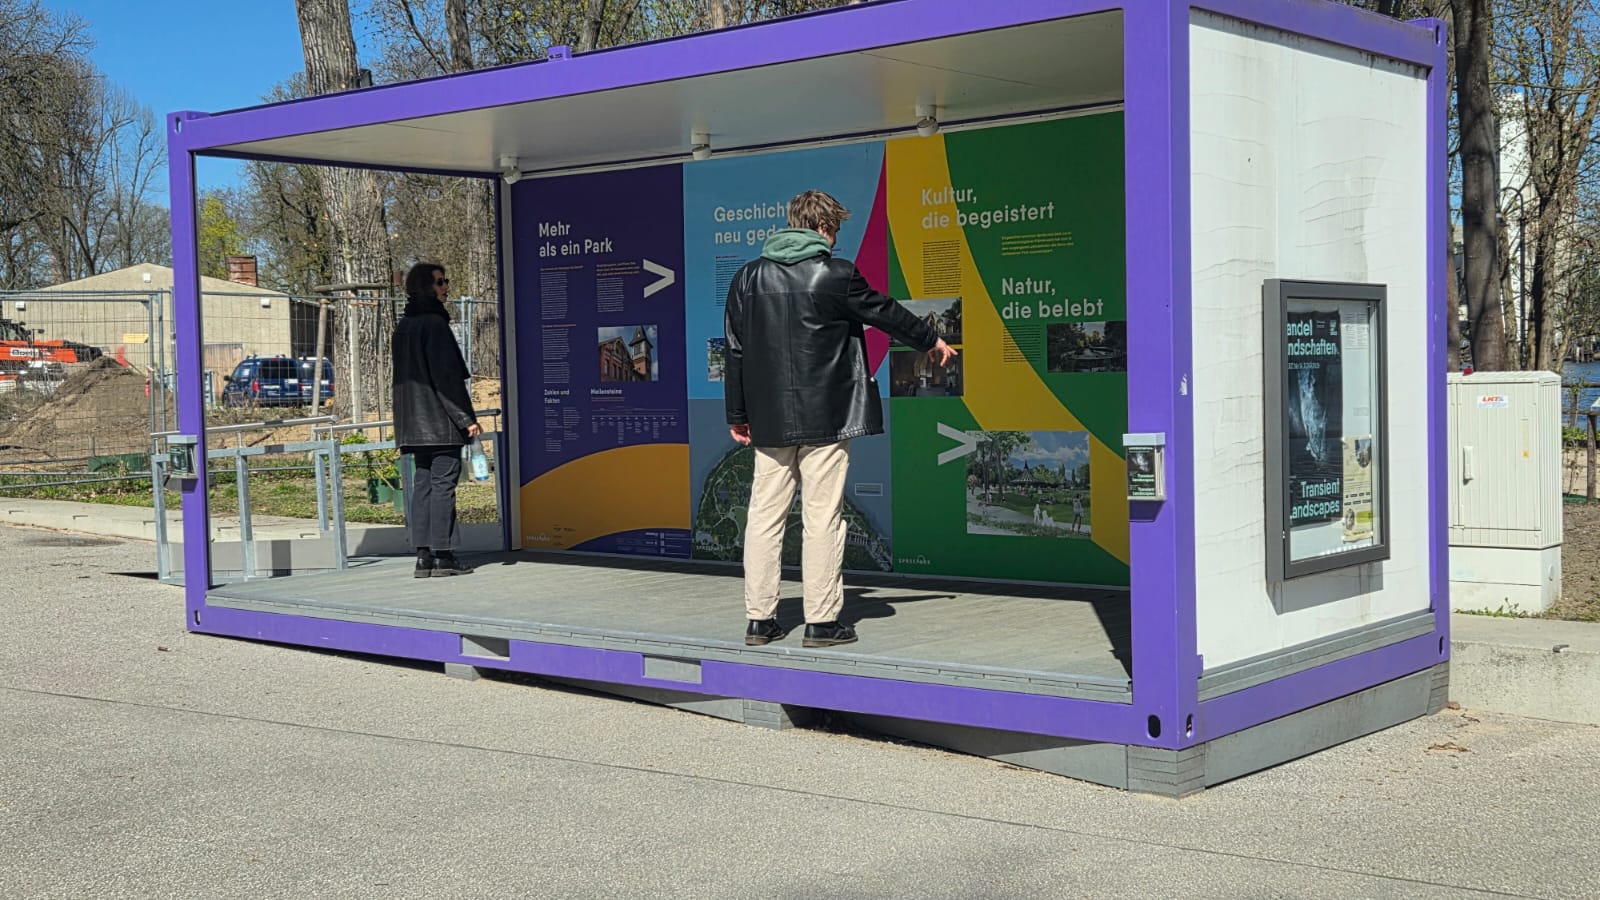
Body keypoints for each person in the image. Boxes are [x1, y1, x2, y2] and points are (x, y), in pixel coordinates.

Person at [725, 190, 957, 648]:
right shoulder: (835, 274)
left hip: (769, 421)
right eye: (834, 230)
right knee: (822, 517)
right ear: (825, 227)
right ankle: (822, 622)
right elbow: (885, 313)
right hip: (827, 419)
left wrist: (738, 414)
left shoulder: (747, 278)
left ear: (793, 223)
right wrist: (930, 339)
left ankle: (759, 620)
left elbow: (735, 349)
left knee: (764, 518)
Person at [392, 262, 481, 578]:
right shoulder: (435, 324)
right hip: (441, 422)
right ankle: (443, 555)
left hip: (413, 425)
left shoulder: (403, 327)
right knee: (444, 485)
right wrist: (465, 418)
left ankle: (423, 556)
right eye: (440, 282)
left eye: (446, 280)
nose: (446, 287)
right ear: (426, 288)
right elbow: (447, 379)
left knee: (423, 486)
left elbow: (403, 382)